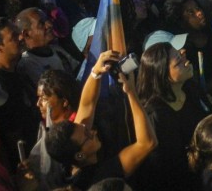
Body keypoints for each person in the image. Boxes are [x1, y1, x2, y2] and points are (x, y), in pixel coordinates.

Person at [45, 50, 157, 188]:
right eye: (88, 136)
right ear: (80, 156)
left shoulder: (72, 154)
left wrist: (96, 72)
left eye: (86, 129)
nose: (93, 132)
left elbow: (87, 104)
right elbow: (147, 143)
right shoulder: (101, 176)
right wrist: (131, 92)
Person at [133, 32, 209, 191]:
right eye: (178, 62)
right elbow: (166, 169)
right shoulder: (155, 116)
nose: (185, 59)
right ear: (162, 75)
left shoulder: (190, 89)